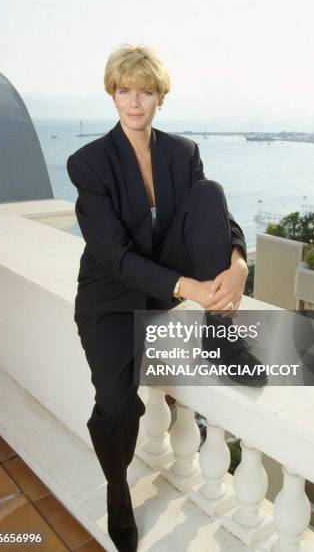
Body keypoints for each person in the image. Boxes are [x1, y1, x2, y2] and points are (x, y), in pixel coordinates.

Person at [66, 44, 266, 552]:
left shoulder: (182, 152)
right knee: (115, 404)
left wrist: (239, 260)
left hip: (167, 283)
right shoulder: (88, 163)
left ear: (161, 97)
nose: (135, 102)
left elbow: (214, 217)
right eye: (125, 90)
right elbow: (112, 254)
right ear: (112, 94)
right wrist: (188, 287)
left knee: (209, 192)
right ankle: (117, 490)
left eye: (146, 91)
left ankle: (222, 339)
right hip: (112, 294)